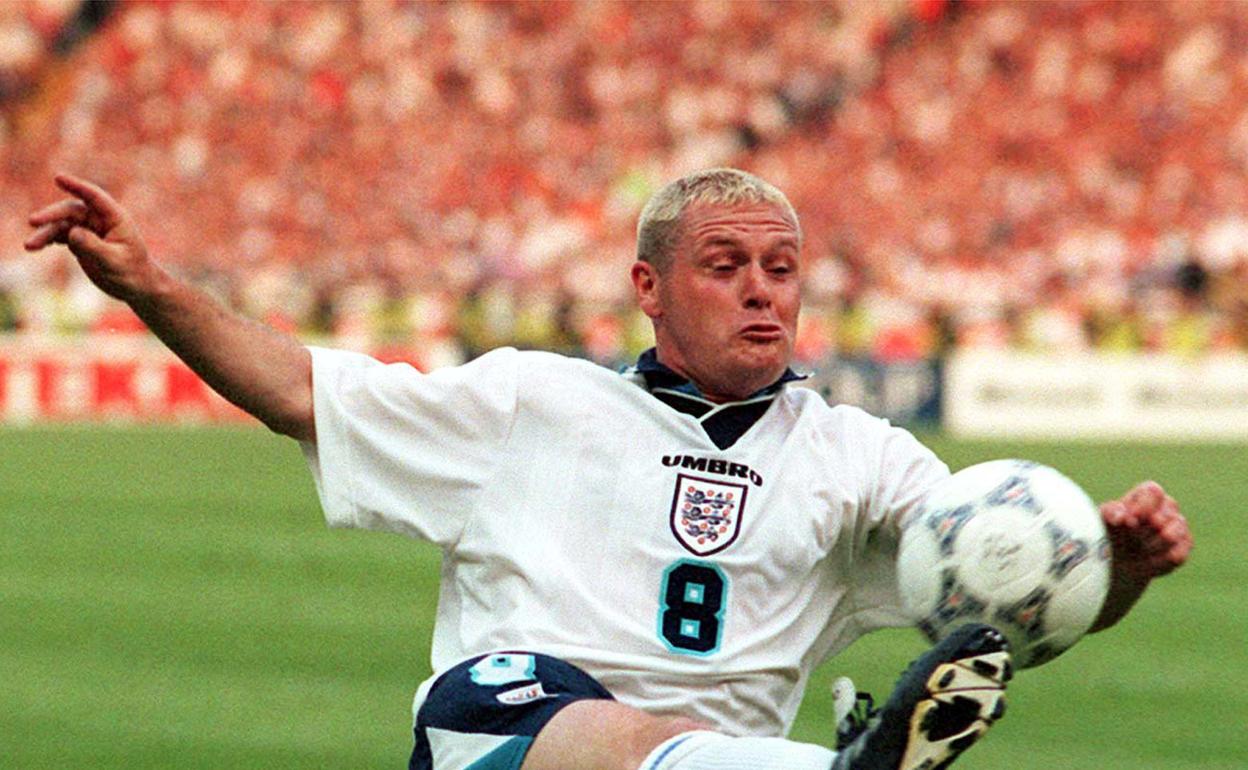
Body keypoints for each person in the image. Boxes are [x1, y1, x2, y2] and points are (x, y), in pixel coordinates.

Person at [25, 169, 1191, 770]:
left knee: (659, 738)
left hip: (712, 761)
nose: (761, 289)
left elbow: (1003, 603)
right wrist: (150, 285)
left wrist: (1116, 566)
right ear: (649, 286)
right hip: (506, 739)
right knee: (566, 708)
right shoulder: (533, 400)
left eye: (781, 267)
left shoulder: (860, 457)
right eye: (726, 263)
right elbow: (298, 389)